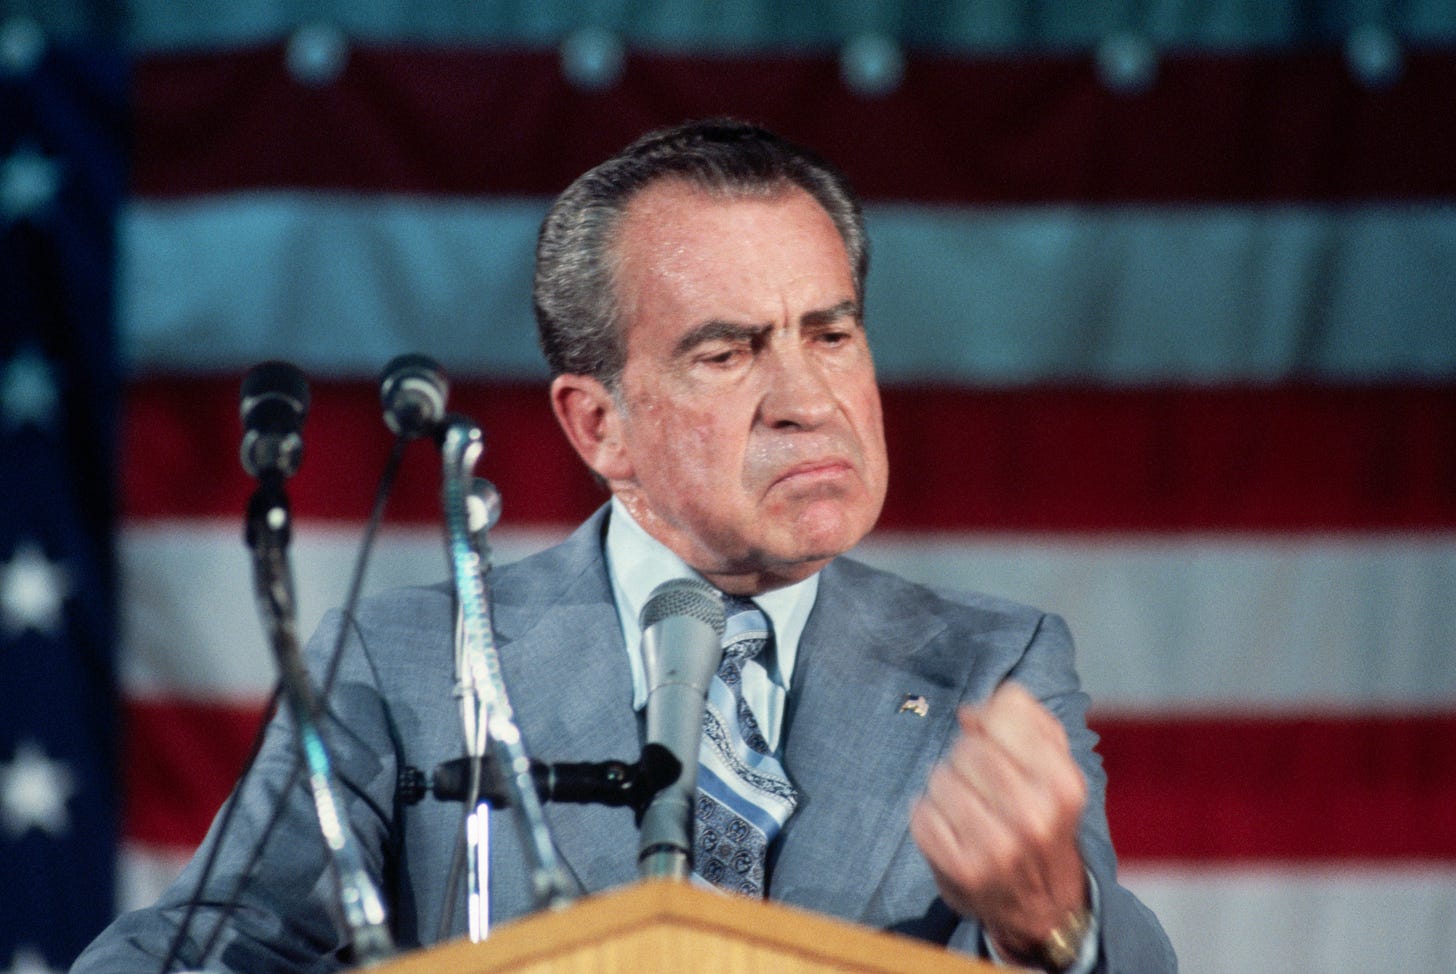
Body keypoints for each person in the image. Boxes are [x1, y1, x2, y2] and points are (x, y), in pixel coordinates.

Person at [73, 119, 1174, 973]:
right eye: (727, 353)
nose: (807, 400)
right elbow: (190, 948)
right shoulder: (403, 663)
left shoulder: (994, 661)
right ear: (598, 425)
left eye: (830, 333)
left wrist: (1053, 922)